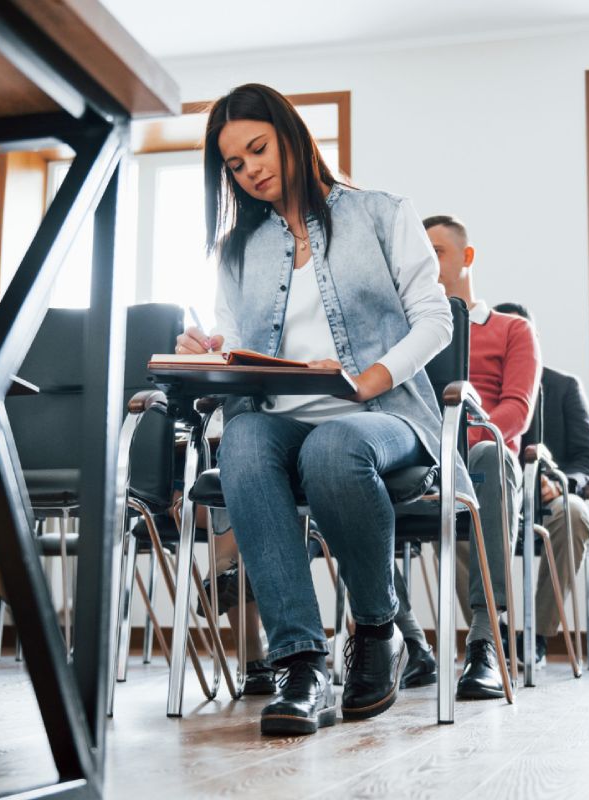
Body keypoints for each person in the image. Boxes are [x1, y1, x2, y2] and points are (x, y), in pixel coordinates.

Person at [177, 84, 463, 736]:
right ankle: (301, 664)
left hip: (383, 414)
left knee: (331, 446)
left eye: (258, 148)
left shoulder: (384, 214)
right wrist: (209, 352)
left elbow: (434, 320)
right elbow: (234, 347)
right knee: (244, 441)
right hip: (278, 419)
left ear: (291, 134)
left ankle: (376, 626)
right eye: (235, 165)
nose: (251, 169)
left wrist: (370, 380)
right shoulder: (236, 251)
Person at [424, 215, 541, 699]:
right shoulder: (410, 333)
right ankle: (406, 638)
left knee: (489, 455)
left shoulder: (513, 330)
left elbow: (515, 410)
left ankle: (486, 639)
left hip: (487, 459)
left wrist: (460, 444)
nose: (426, 263)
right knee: (350, 459)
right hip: (426, 458)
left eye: (438, 252)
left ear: (467, 258)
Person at [495, 302, 589, 667]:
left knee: (574, 513)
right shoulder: (480, 391)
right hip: (497, 497)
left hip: (553, 501)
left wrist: (561, 484)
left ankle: (536, 635)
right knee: (461, 511)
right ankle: (492, 632)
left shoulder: (564, 387)